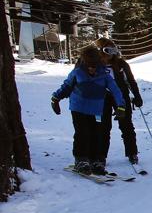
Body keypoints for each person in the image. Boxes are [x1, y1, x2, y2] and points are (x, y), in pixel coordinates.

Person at [51, 46, 126, 175]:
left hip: (96, 110)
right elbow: (66, 87)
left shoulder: (105, 76)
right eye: (89, 66)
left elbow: (116, 91)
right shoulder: (77, 73)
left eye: (94, 66)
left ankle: (95, 160)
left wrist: (121, 106)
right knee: (82, 133)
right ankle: (81, 160)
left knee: (97, 134)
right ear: (84, 63)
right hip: (78, 108)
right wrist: (55, 98)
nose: (92, 69)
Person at [95, 37, 144, 167]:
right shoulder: (96, 64)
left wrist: (137, 96)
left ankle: (132, 152)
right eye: (107, 50)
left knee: (126, 124)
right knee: (103, 127)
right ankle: (101, 156)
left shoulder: (121, 64)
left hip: (121, 97)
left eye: (113, 50)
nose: (111, 54)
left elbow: (131, 81)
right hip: (102, 98)